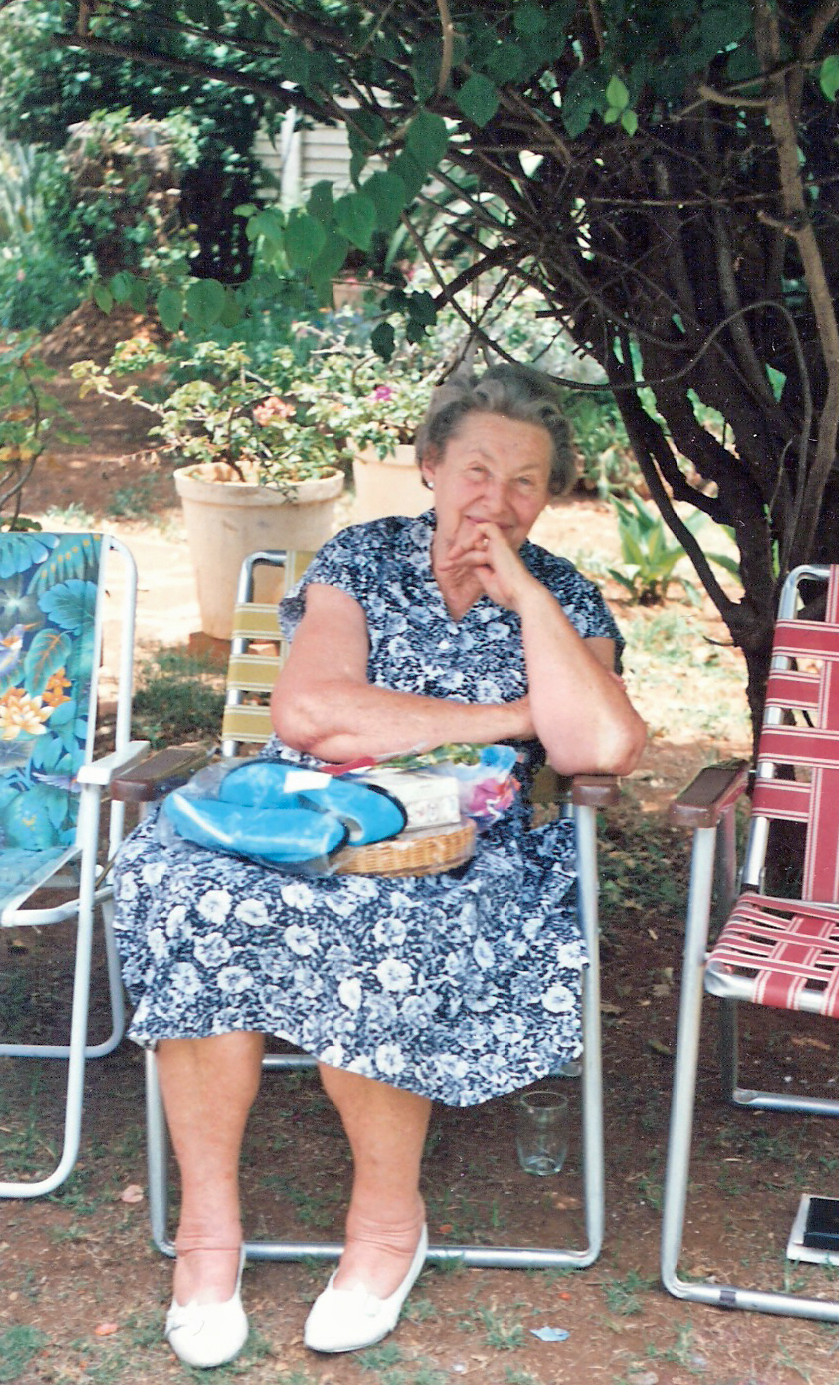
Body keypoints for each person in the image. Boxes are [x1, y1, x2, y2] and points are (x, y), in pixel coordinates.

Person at [112, 360, 647, 1368]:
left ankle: (387, 1226)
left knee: (390, 922)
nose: (498, 497)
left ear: (552, 496)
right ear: (431, 465)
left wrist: (525, 597)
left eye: (527, 480)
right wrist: (513, 717)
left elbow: (602, 748)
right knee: (186, 890)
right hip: (306, 824)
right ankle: (208, 1233)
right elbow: (311, 714)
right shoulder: (362, 559)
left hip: (472, 856)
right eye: (479, 469)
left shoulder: (566, 596)